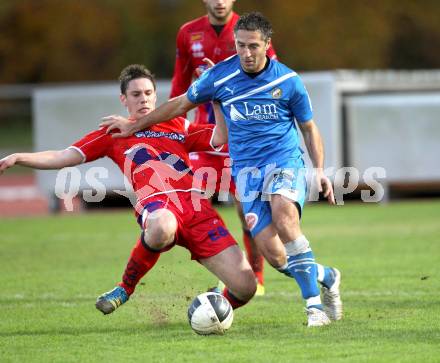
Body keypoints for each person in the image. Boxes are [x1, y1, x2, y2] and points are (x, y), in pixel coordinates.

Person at [100, 13, 343, 327]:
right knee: (277, 257)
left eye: (253, 46)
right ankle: (327, 276)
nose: (246, 53)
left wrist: (319, 170)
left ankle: (314, 309)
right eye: (240, 45)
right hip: (247, 176)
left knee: (284, 216)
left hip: (284, 163)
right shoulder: (220, 77)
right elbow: (178, 104)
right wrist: (134, 125)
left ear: (268, 45)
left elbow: (309, 128)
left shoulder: (288, 81)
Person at [0, 64, 257, 315]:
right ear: (124, 99)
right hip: (158, 205)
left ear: (156, 96)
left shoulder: (178, 124)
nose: (143, 99)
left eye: (147, 93)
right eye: (136, 94)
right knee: (162, 225)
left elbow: (221, 137)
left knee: (246, 287)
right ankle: (124, 288)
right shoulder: (114, 133)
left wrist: (216, 100)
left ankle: (210, 312)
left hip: (198, 211)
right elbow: (64, 156)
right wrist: (20, 157)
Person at [170, 0, 277, 296]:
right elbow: (179, 84)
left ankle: (255, 275)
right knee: (191, 205)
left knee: (246, 209)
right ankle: (223, 267)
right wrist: (172, 129)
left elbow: (272, 77)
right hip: (205, 137)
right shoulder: (188, 33)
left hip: (241, 138)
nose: (219, 1)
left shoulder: (249, 31)